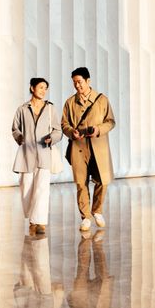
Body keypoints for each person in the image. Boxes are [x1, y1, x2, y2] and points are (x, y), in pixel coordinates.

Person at [61, 67, 116, 232]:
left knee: (102, 180)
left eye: (79, 82)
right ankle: (85, 216)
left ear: (88, 81)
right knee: (81, 183)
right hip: (79, 147)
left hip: (98, 146)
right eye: (74, 83)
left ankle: (97, 211)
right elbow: (64, 124)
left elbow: (111, 121)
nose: (77, 86)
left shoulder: (102, 100)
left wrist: (98, 130)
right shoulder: (70, 103)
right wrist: (72, 132)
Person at [12, 78, 63, 235]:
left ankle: (39, 222)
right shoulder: (22, 109)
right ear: (32, 88)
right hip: (26, 153)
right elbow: (15, 129)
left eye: (45, 88)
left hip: (44, 152)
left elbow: (58, 131)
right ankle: (32, 218)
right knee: (26, 187)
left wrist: (52, 138)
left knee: (42, 189)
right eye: (40, 87)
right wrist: (20, 138)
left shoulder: (50, 109)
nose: (43, 90)